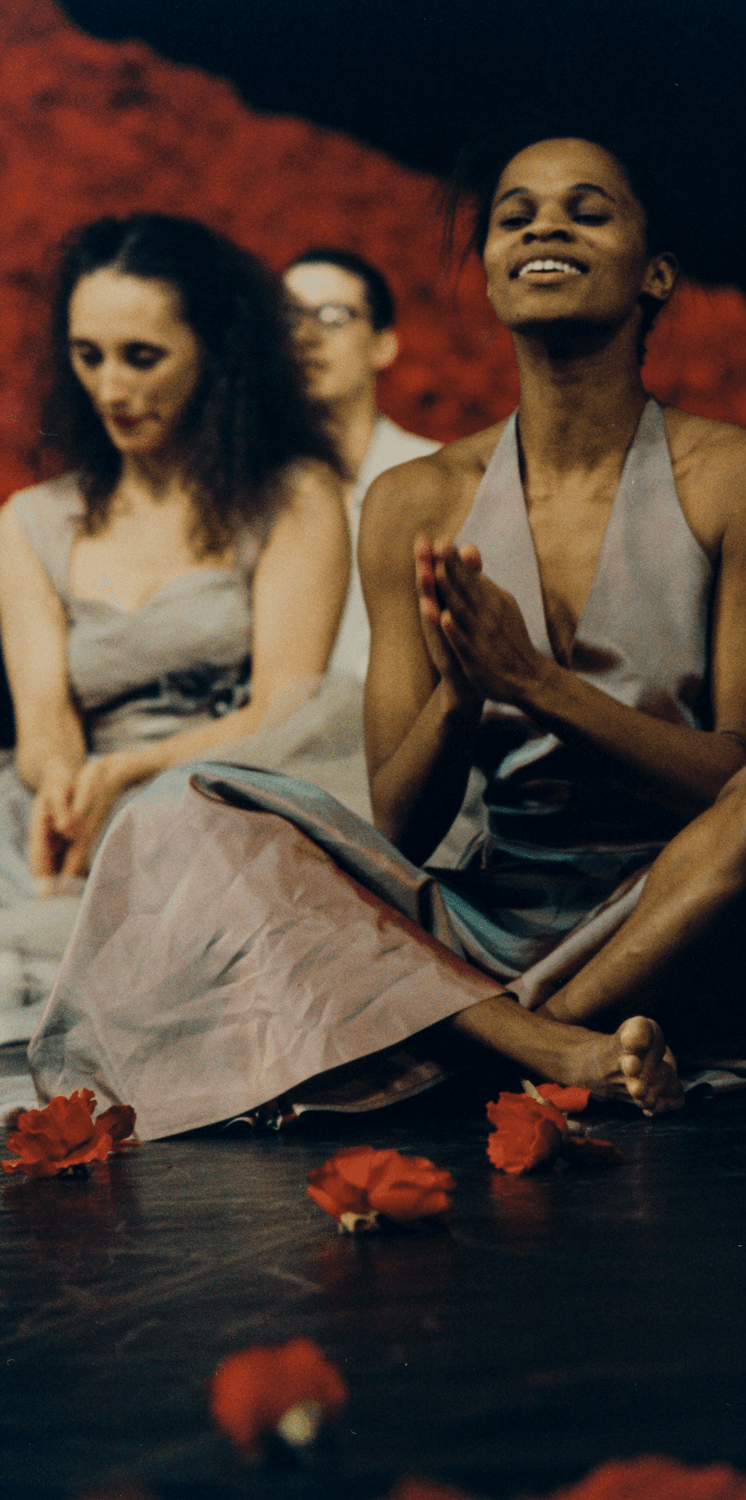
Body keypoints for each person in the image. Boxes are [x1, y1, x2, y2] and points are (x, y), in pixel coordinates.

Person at [29, 134, 746, 1139]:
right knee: (186, 812)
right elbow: (399, 826)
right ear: (490, 275)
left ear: (654, 270)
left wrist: (537, 685)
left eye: (587, 210)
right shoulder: (414, 501)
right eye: (513, 213)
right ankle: (552, 1053)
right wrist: (460, 691)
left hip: (691, 915)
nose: (543, 226)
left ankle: (494, 1043)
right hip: (487, 925)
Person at [0, 213, 349, 1043]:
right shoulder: (32, 520)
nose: (112, 388)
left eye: (141, 357)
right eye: (89, 357)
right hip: (82, 799)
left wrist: (133, 770)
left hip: (232, 793)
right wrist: (64, 784)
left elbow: (284, 707)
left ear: (215, 352)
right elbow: (45, 718)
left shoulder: (293, 496)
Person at [283, 250, 439, 682]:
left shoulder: (436, 474)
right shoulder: (247, 485)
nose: (306, 335)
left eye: (334, 315)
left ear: (383, 345)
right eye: (289, 315)